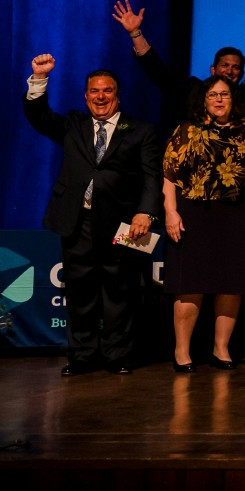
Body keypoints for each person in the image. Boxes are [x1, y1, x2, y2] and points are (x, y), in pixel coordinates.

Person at [24, 55, 163, 375]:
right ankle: (83, 354)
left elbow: (151, 176)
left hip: (124, 224)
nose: (100, 97)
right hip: (78, 221)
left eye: (107, 91)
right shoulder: (73, 124)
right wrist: (39, 79)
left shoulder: (140, 130)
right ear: (86, 96)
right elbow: (39, 116)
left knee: (120, 291)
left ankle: (117, 355)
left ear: (118, 96)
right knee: (80, 291)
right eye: (94, 91)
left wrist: (146, 212)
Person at [161, 76, 245, 372]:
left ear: (233, 98)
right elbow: (169, 175)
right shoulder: (187, 130)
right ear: (203, 99)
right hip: (195, 213)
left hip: (237, 215)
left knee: (231, 285)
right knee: (190, 285)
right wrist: (170, 212)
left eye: (225, 94)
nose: (219, 100)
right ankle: (182, 351)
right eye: (213, 95)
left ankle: (221, 348)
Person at [111, 0, 245, 127]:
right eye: (224, 65)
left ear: (241, 74)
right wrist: (135, 34)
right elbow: (158, 73)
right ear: (213, 69)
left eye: (235, 67)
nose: (229, 71)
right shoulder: (192, 91)